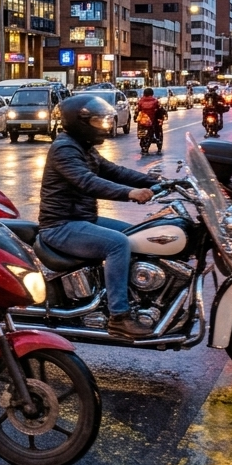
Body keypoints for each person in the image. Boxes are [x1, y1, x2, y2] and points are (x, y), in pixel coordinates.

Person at [36, 95, 159, 339]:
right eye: (96, 121)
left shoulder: (84, 147)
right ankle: (119, 317)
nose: (101, 126)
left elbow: (114, 171)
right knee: (118, 243)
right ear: (78, 121)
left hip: (82, 220)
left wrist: (154, 181)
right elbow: (87, 181)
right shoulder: (65, 148)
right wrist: (130, 193)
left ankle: (139, 296)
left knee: (138, 235)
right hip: (61, 225)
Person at [135, 88, 167, 155]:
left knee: (141, 128)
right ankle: (158, 142)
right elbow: (160, 110)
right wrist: (164, 114)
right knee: (158, 128)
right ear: (152, 94)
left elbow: (137, 111)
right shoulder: (155, 101)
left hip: (143, 122)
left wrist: (136, 118)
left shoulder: (140, 101)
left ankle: (144, 143)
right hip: (153, 122)